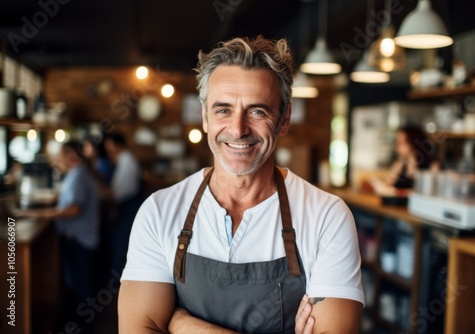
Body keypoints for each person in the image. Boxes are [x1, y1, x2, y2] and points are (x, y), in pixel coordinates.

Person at [118, 36, 364, 333]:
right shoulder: (159, 211)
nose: (237, 129)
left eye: (257, 111)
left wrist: (182, 325)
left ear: (284, 119)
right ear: (205, 118)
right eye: (223, 110)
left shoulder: (327, 217)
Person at [15, 141, 100, 332]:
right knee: (77, 280)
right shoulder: (77, 173)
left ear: (72, 155)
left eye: (62, 154)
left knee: (81, 282)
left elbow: (74, 209)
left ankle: (86, 325)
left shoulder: (78, 176)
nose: (60, 158)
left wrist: (40, 213)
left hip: (80, 237)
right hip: (80, 235)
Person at [103, 133, 143, 277]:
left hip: (129, 207)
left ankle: (118, 282)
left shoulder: (127, 162)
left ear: (117, 145)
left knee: (121, 243)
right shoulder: (123, 160)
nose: (108, 149)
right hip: (126, 206)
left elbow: (118, 192)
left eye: (109, 145)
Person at [371, 125, 439, 196]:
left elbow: (429, 192)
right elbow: (388, 182)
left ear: (413, 143)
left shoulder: (432, 164)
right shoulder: (401, 162)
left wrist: (394, 192)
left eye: (401, 142)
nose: (397, 146)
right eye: (397, 142)